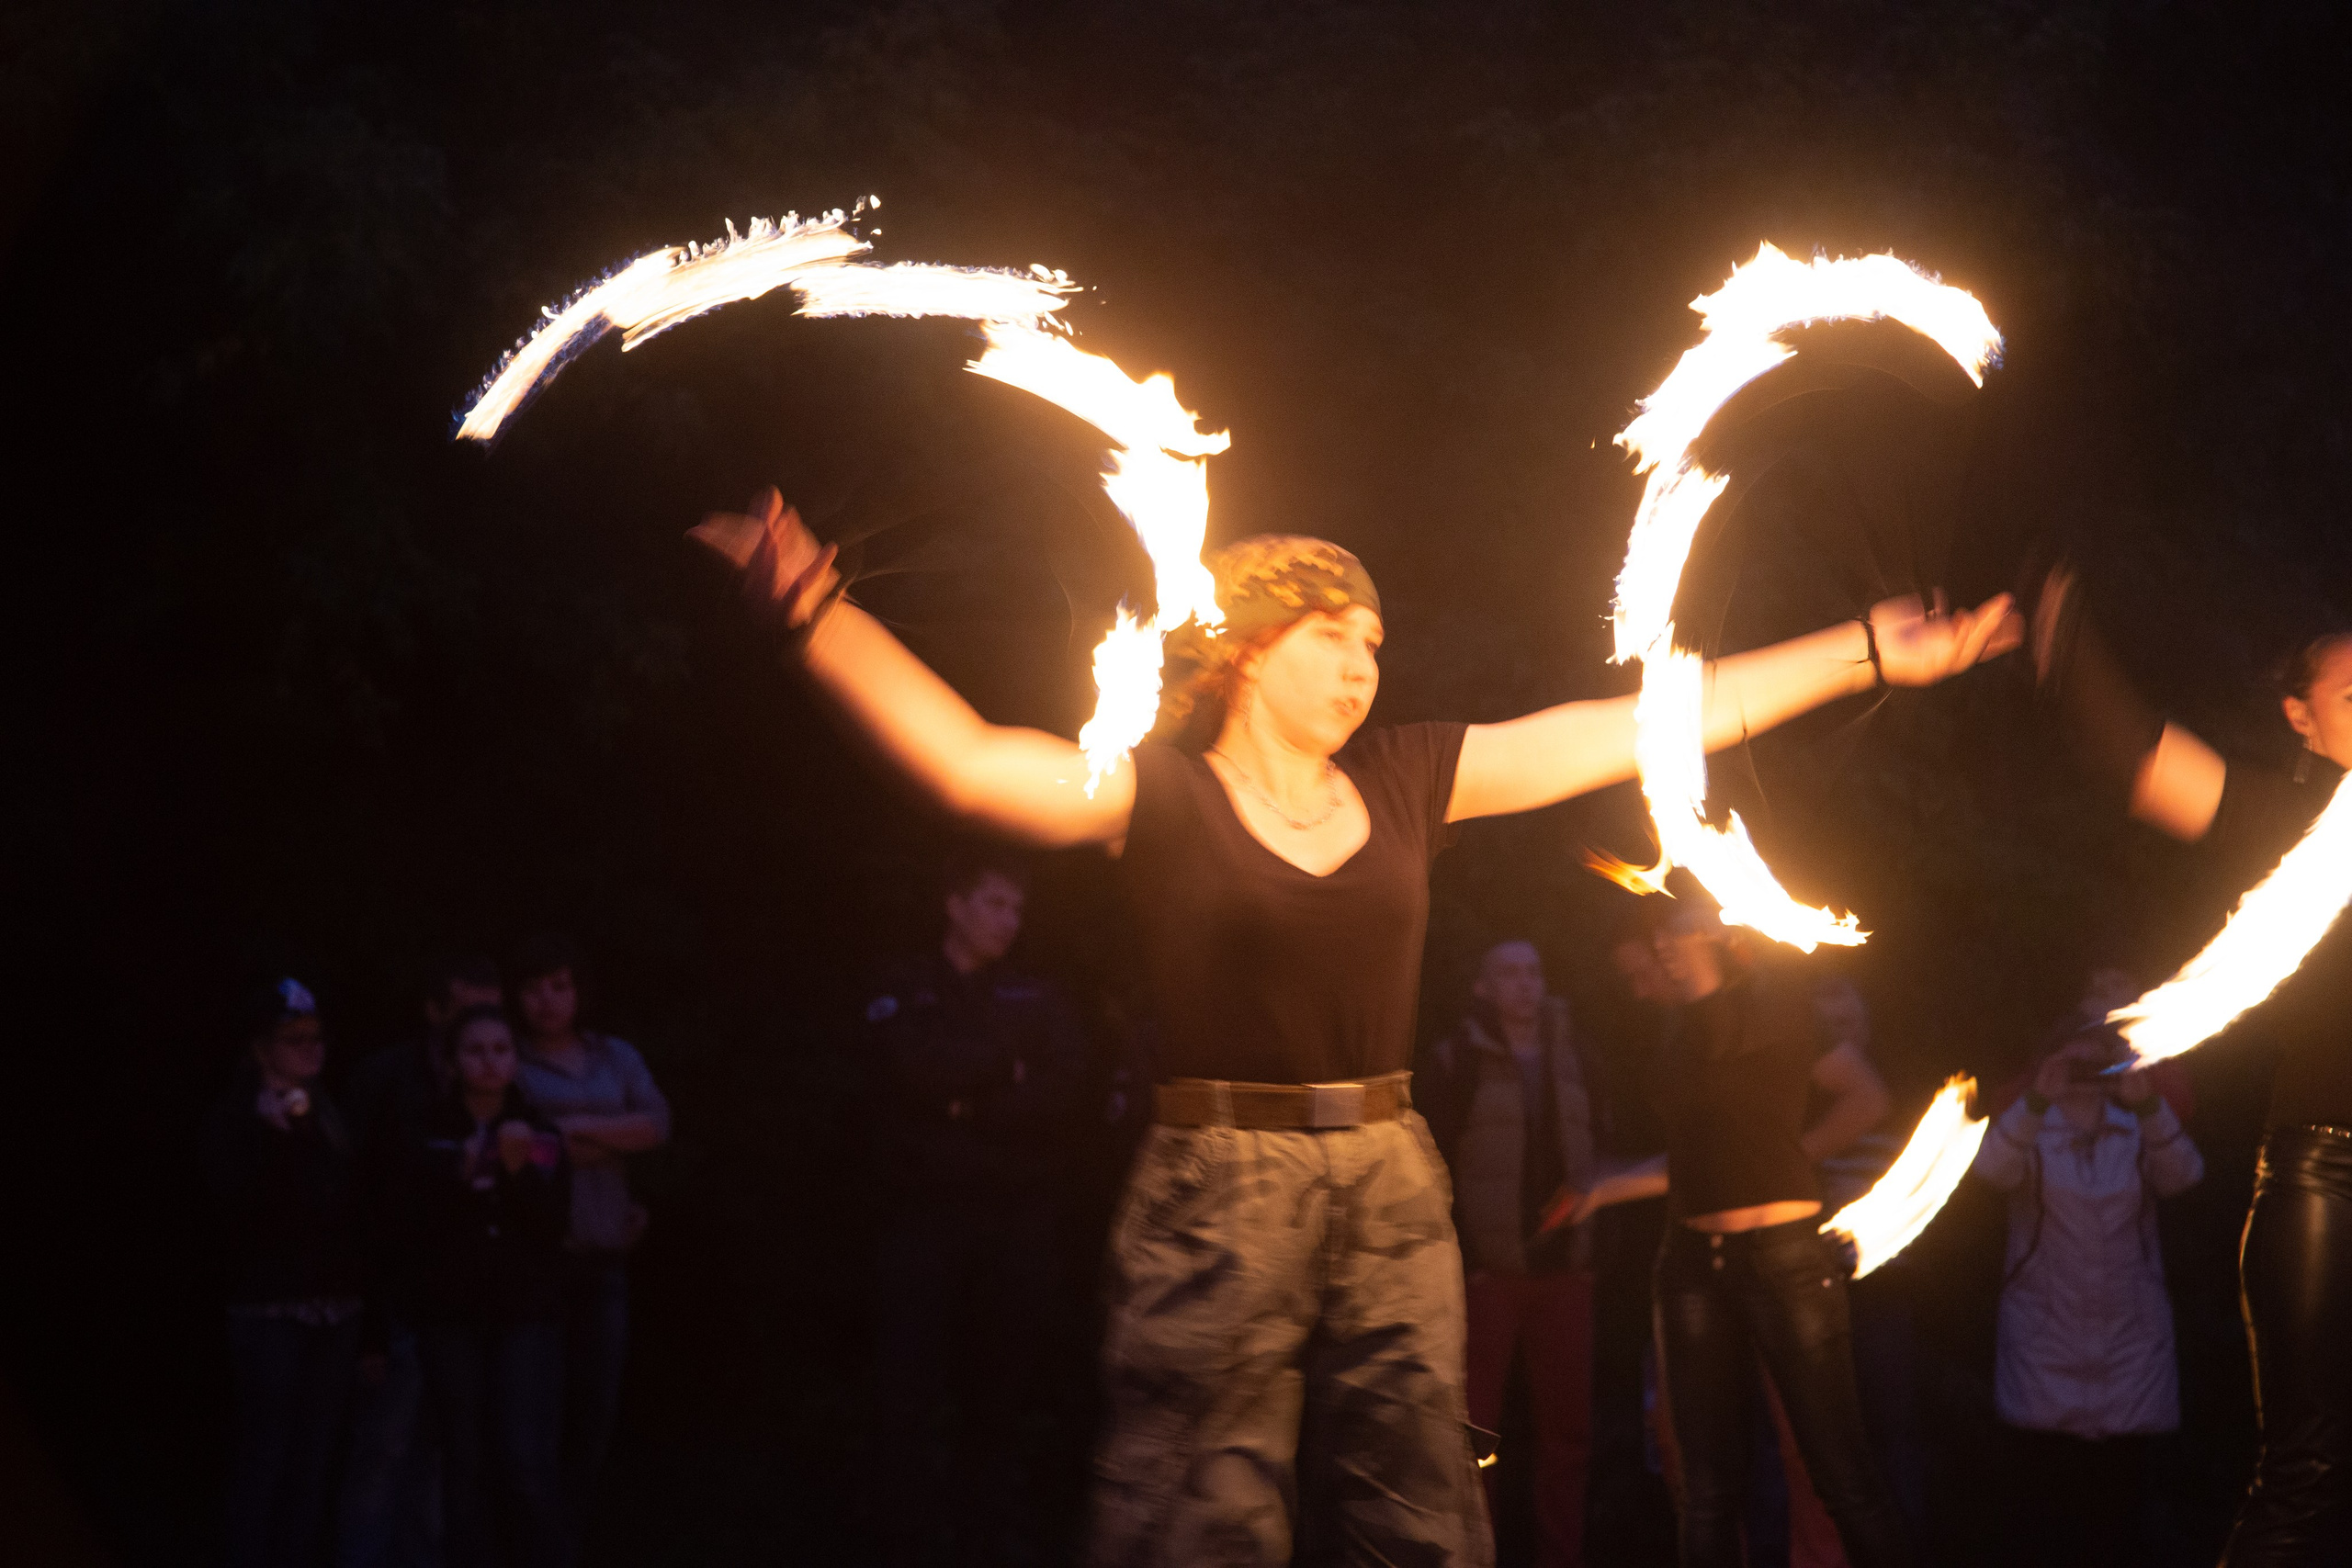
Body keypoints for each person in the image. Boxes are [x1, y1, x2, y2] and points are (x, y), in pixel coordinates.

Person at [690, 487, 2018, 1564]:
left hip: (1388, 1172)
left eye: (1376, 642)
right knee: (1195, 1518)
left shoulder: (1407, 775)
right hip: (1216, 1186)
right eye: (1335, 634)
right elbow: (971, 762)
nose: (1363, 663)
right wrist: (812, 611)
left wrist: (1861, 649)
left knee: (1422, 1515)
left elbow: (1631, 727)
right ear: (1250, 647)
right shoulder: (1155, 792)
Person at [2031, 589, 2352, 1566]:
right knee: (2304, 1473)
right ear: (2300, 717)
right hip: (2326, 1183)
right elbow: (2144, 763)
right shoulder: (2289, 821)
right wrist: (2063, 635)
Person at [1576, 903, 1907, 1568]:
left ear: (1711, 935)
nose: (1664, 955)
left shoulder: (1776, 1005)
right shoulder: (1675, 1033)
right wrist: (1612, 1184)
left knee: (1842, 1476)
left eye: (1674, 939)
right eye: (1659, 944)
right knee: (1704, 1492)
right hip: (1689, 1264)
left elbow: (1866, 1095)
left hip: (1783, 1257)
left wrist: (1790, 1156)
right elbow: (1705, 1155)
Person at [862, 851, 1092, 1563]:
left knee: (997, 1395)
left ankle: (988, 1541)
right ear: (954, 905)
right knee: (906, 1390)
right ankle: (903, 1539)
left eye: (1016, 909)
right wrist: (1002, 1069)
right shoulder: (904, 987)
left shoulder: (1037, 997)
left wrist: (967, 1097)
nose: (1009, 921)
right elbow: (908, 1075)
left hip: (1012, 1227)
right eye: (995, 904)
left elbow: (1063, 1091)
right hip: (923, 1225)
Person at [1968, 1016, 2204, 1568]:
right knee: (2049, 1509)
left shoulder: (2138, 1127)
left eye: (2094, 1065)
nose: (2082, 1076)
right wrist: (2033, 1099)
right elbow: (1989, 1172)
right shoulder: (2028, 1129)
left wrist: (2148, 1105)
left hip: (2131, 1340)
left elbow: (2184, 1176)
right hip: (2045, 1339)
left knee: (2120, 1510)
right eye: (2069, 1065)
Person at [1419, 940, 1602, 1568]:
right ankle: (1473, 1554)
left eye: (1532, 971)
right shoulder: (1458, 1060)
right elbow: (1433, 1161)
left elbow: (1602, 1148)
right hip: (1490, 1273)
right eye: (1509, 974)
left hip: (1565, 1271)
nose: (1524, 984)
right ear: (1484, 988)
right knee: (1476, 1434)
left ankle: (1561, 1555)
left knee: (1568, 1439)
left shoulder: (1577, 1053)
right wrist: (1465, 1259)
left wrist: (1593, 1250)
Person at [341, 956, 504, 1568]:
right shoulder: (389, 1081)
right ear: (434, 1011)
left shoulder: (495, 1091)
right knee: (381, 1453)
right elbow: (358, 1197)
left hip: (460, 1306)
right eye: (469, 1011)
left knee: (438, 1456)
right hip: (397, 1298)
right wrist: (371, 1320)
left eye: (494, 1013)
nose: (482, 1028)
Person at [506, 934, 670, 1540]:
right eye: (534, 988)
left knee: (593, 1417)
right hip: (539, 1263)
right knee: (531, 1426)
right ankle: (528, 1545)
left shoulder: (615, 1054)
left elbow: (657, 1123)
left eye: (561, 985)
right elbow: (527, 1147)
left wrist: (572, 1129)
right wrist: (602, 1137)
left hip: (606, 1259)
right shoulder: (511, 1059)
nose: (548, 1000)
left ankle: (564, 1544)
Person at [202, 976, 366, 1568]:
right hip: (269, 1310)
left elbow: (346, 1213)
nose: (310, 1049)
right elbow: (242, 1215)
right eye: (294, 1038)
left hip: (336, 1309)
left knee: (314, 1456)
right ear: (260, 1047)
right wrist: (271, 1139)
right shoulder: (236, 1122)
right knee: (266, 1454)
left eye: (316, 1038)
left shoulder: (330, 1118)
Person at [403, 1004, 571, 1568]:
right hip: (452, 1317)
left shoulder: (540, 1132)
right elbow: (407, 1226)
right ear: (451, 1062)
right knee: (462, 1458)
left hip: (525, 1316)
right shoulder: (425, 1130)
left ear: (516, 1060)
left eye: (501, 1049)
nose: (489, 1061)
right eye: (474, 1050)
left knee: (525, 1457)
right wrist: (456, 1180)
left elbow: (552, 1227)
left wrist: (520, 1173)